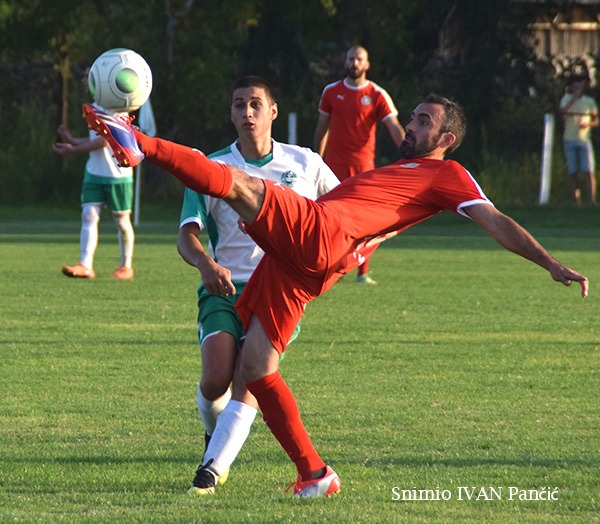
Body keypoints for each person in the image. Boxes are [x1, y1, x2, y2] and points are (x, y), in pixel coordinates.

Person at [83, 94, 588, 498]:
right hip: (307, 262)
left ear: (446, 138)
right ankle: (315, 473)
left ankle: (139, 145)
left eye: (423, 121)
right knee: (256, 367)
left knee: (238, 183)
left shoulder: (448, 175)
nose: (410, 126)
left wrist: (547, 262)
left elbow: (495, 220)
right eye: (412, 117)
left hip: (320, 234)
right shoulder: (399, 172)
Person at [177, 76, 339, 495]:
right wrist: (205, 263)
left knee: (250, 375)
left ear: (273, 111)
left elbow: (342, 212)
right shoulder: (213, 168)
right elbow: (186, 235)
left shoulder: (304, 164)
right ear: (230, 114)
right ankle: (215, 439)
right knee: (215, 379)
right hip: (224, 287)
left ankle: (211, 471)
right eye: (238, 105)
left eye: (254, 104)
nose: (246, 112)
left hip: (281, 290)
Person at [313, 45, 406, 284]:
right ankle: (329, 265)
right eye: (351, 58)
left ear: (367, 64)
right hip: (333, 166)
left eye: (359, 59)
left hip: (364, 168)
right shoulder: (331, 92)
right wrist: (316, 159)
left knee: (366, 220)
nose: (355, 63)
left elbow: (393, 126)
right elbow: (322, 128)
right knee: (330, 218)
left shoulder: (376, 94)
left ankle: (362, 272)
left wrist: (410, 154)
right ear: (346, 62)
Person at [53, 68, 136, 280]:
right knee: (88, 214)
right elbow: (94, 141)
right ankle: (85, 264)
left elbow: (105, 142)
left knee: (122, 221)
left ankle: (126, 266)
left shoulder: (119, 107)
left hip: (118, 174)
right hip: (94, 173)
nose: (84, 80)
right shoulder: (94, 107)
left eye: (88, 76)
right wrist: (72, 140)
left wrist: (73, 150)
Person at [559, 74, 598, 205]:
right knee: (573, 171)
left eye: (580, 85)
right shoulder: (566, 99)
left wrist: (588, 124)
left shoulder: (589, 102)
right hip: (569, 139)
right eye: (575, 86)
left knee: (589, 171)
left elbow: (596, 120)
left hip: (584, 140)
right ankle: (577, 201)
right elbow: (563, 111)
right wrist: (574, 98)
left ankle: (592, 200)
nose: (578, 88)